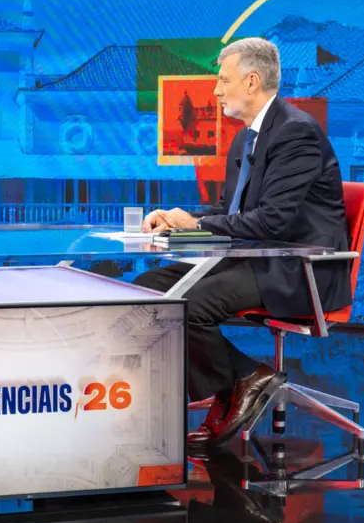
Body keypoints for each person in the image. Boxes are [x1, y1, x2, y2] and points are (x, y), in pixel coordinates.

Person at [136, 38, 350, 448]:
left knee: (187, 305)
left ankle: (235, 385)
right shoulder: (246, 138)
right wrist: (183, 221)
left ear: (252, 81)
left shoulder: (296, 134)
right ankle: (243, 378)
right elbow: (229, 209)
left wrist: (195, 227)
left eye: (222, 80)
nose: (215, 91)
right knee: (146, 291)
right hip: (253, 256)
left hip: (295, 266)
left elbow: (271, 221)